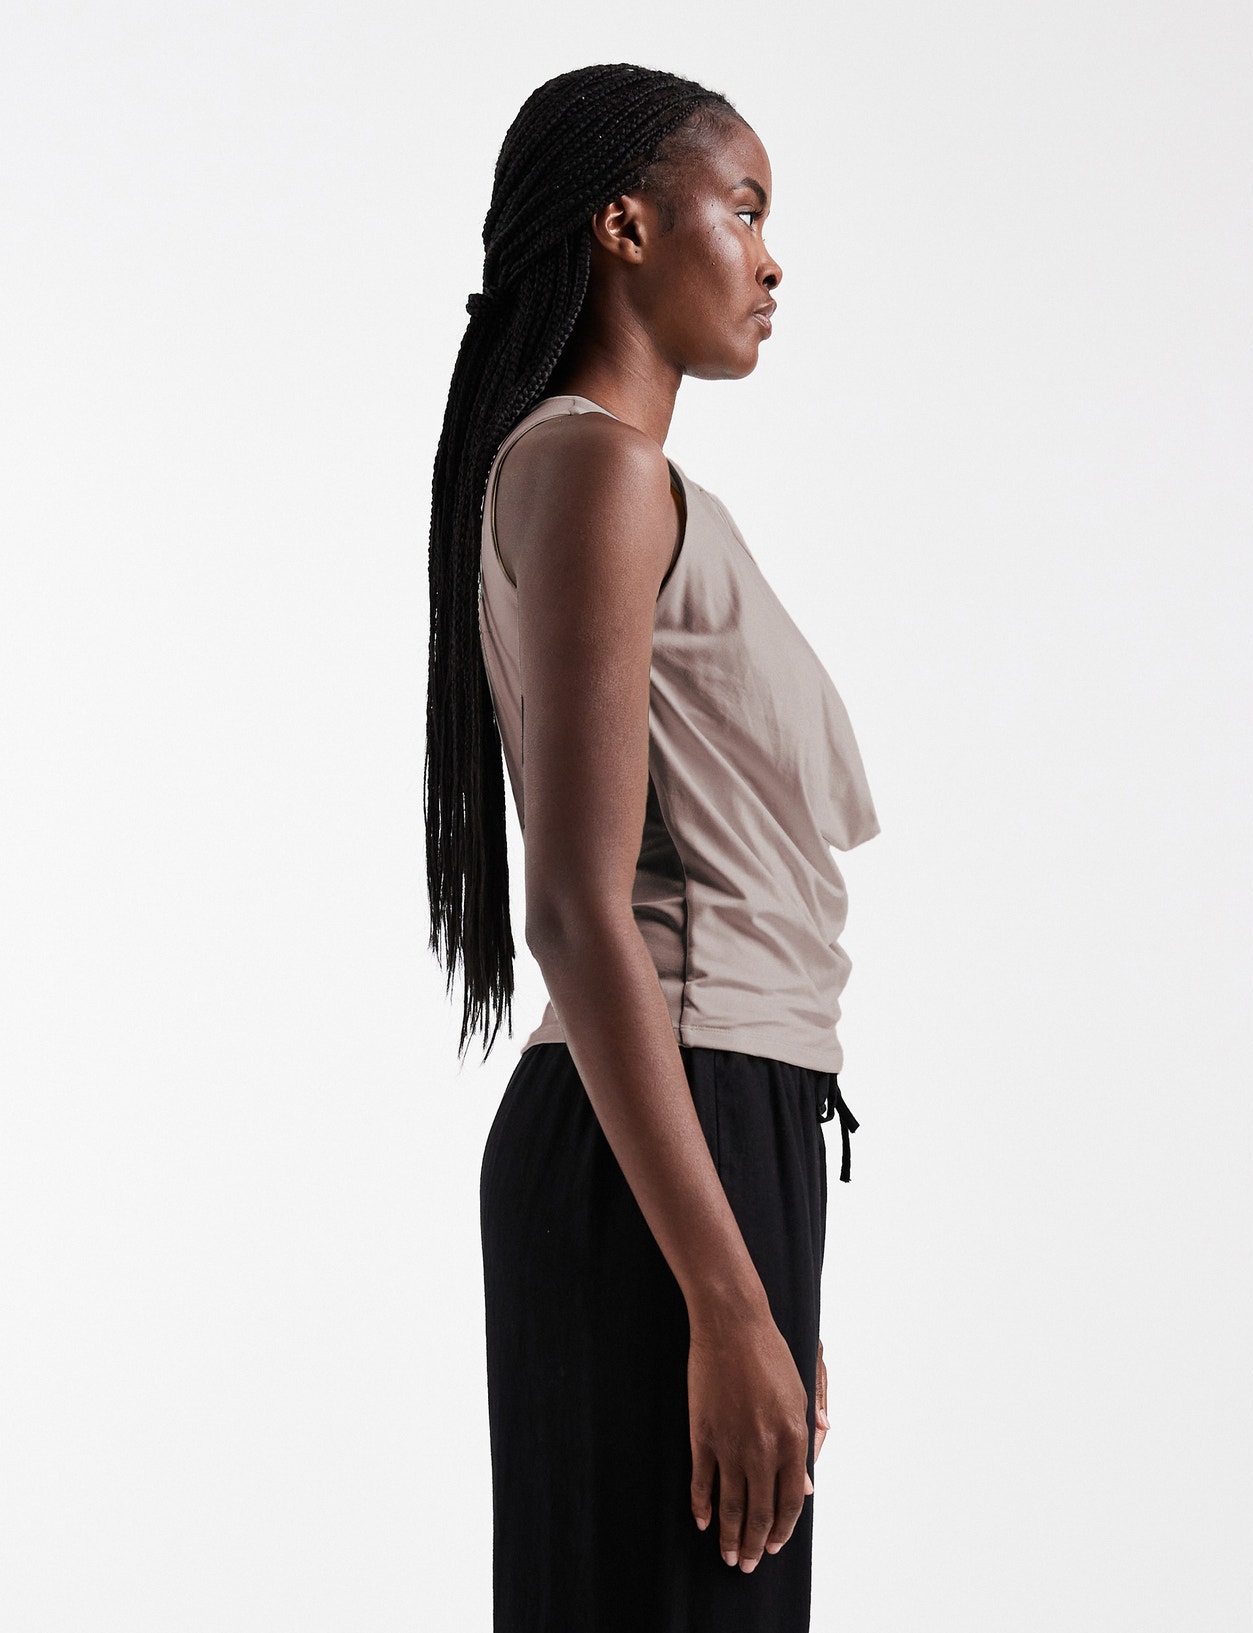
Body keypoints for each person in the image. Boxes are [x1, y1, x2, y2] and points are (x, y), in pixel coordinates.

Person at [423, 63, 880, 1632]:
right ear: (624, 226)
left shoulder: (611, 478)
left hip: (708, 1131)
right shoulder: (594, 469)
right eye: (741, 208)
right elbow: (573, 905)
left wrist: (751, 1270)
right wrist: (728, 1295)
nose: (769, 258)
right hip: (671, 1117)